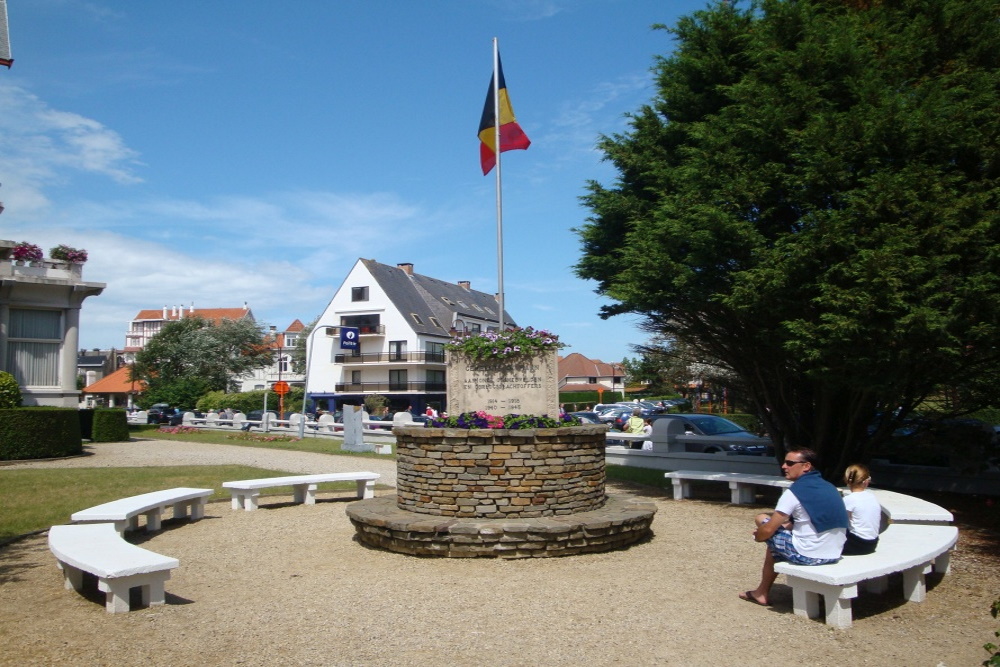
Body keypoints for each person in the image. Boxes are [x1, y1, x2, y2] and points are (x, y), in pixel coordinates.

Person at [739, 447, 848, 606]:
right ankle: (761, 592)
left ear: (806, 466)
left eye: (790, 463)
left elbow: (768, 530)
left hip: (809, 555)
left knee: (761, 519)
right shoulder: (829, 487)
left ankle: (761, 592)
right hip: (834, 552)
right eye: (785, 462)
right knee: (777, 538)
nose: (784, 466)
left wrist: (758, 536)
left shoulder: (794, 492)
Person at [842, 464, 881, 555]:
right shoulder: (872, 497)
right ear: (867, 481)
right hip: (872, 543)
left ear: (847, 481)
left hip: (857, 544)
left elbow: (841, 521)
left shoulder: (848, 499)